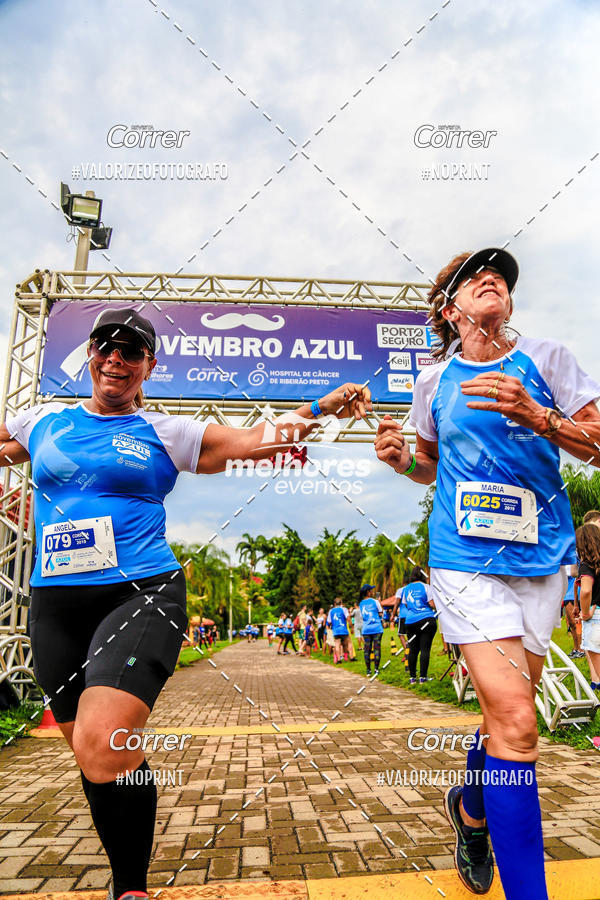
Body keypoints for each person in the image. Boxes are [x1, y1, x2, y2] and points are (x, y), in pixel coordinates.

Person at [0, 307, 372, 900]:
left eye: (131, 351)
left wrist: (321, 408)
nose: (115, 358)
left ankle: (130, 889)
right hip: (56, 605)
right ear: (91, 355)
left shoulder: (167, 431)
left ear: (150, 365)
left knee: (105, 740)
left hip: (140, 592)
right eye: (106, 347)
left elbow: (255, 442)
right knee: (95, 755)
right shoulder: (43, 420)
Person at [374, 247, 600, 899]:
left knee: (507, 716)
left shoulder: (549, 359)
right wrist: (401, 464)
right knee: (518, 723)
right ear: (452, 310)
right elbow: (428, 465)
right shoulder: (432, 382)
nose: (490, 276)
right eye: (473, 276)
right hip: (464, 557)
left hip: (541, 555)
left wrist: (540, 417)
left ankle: (471, 812)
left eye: (498, 272)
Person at [400, 567, 437, 684]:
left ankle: (412, 678)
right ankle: (423, 677)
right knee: (425, 649)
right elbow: (432, 604)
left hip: (410, 622)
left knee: (413, 650)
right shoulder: (426, 587)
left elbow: (405, 604)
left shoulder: (406, 589)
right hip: (426, 619)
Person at [575, 525, 600, 690]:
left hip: (595, 616)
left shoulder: (587, 566)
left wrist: (585, 613)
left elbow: (585, 590)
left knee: (596, 656)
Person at [359, 584, 383, 676]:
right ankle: (376, 669)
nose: (372, 592)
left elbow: (362, 616)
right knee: (377, 649)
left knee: (367, 650)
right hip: (377, 628)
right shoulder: (375, 601)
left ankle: (368, 670)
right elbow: (381, 613)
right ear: (368, 592)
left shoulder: (360, 603)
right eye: (371, 590)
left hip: (366, 629)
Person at [562, 566, 583, 658]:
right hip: (566, 591)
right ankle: (576, 648)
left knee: (576, 622)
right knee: (571, 622)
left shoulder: (576, 555)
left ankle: (581, 649)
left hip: (575, 590)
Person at [327, 597, 351, 662]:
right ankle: (345, 657)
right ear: (341, 603)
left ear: (334, 604)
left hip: (336, 630)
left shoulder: (331, 611)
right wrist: (351, 626)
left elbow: (329, 621)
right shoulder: (344, 609)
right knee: (345, 644)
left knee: (337, 644)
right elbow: (348, 618)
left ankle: (339, 659)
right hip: (343, 629)